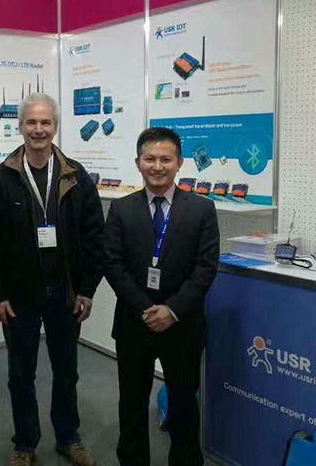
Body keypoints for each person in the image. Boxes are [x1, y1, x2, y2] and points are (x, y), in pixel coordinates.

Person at [0, 93, 104, 466]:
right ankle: (25, 443)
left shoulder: (76, 176)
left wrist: (87, 289)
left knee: (67, 372)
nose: (38, 129)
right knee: (20, 374)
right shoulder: (1, 178)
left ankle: (68, 437)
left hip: (65, 294)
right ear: (20, 126)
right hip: (19, 297)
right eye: (31, 122)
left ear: (55, 127)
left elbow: (94, 237)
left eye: (45, 122)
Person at [104, 127, 219, 466]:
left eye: (165, 159)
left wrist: (171, 310)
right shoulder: (121, 208)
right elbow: (113, 263)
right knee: (132, 404)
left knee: (183, 405)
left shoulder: (201, 208)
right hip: (134, 322)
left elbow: (205, 267)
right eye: (150, 159)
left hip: (182, 325)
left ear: (179, 163)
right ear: (138, 163)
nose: (157, 166)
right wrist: (146, 308)